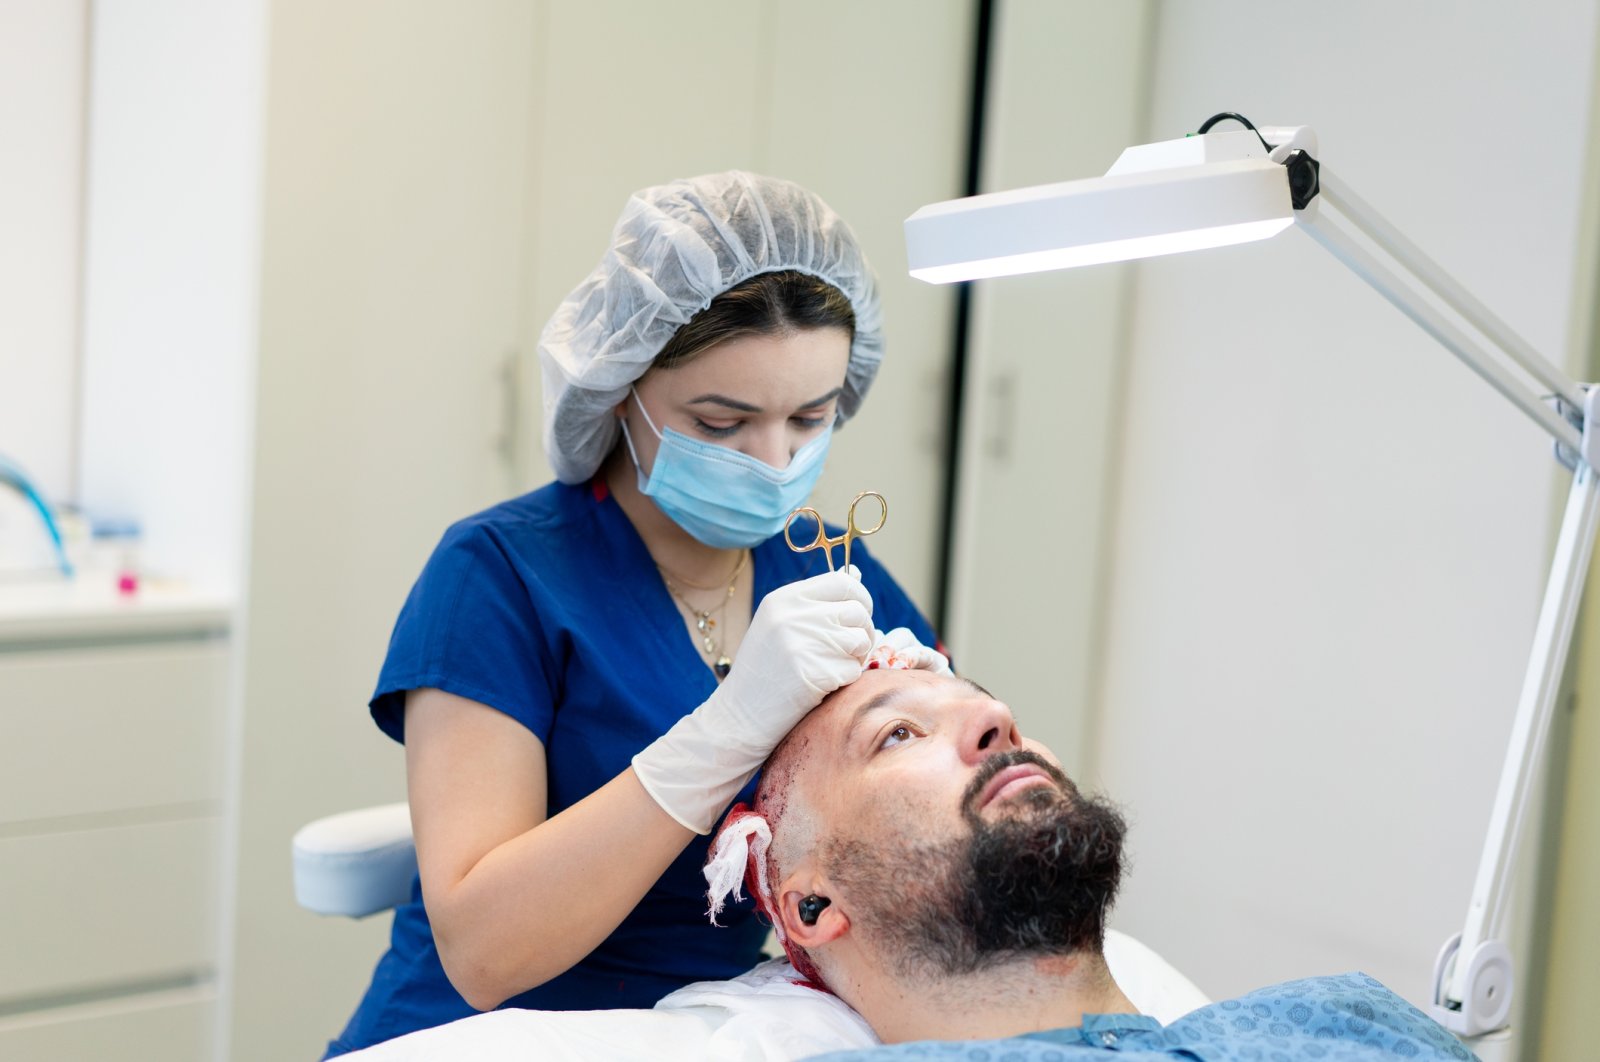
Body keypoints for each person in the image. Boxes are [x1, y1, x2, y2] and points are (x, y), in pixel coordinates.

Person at [327, 171, 943, 1056]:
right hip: (479, 1035)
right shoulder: (499, 575)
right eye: (722, 422)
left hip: (705, 1032)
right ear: (620, 388)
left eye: (810, 417)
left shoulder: (829, 565)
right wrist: (730, 727)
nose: (774, 461)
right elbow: (482, 951)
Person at [703, 667, 1479, 1061]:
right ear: (811, 908)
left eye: (986, 704)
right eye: (898, 734)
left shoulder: (1350, 1020)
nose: (996, 719)